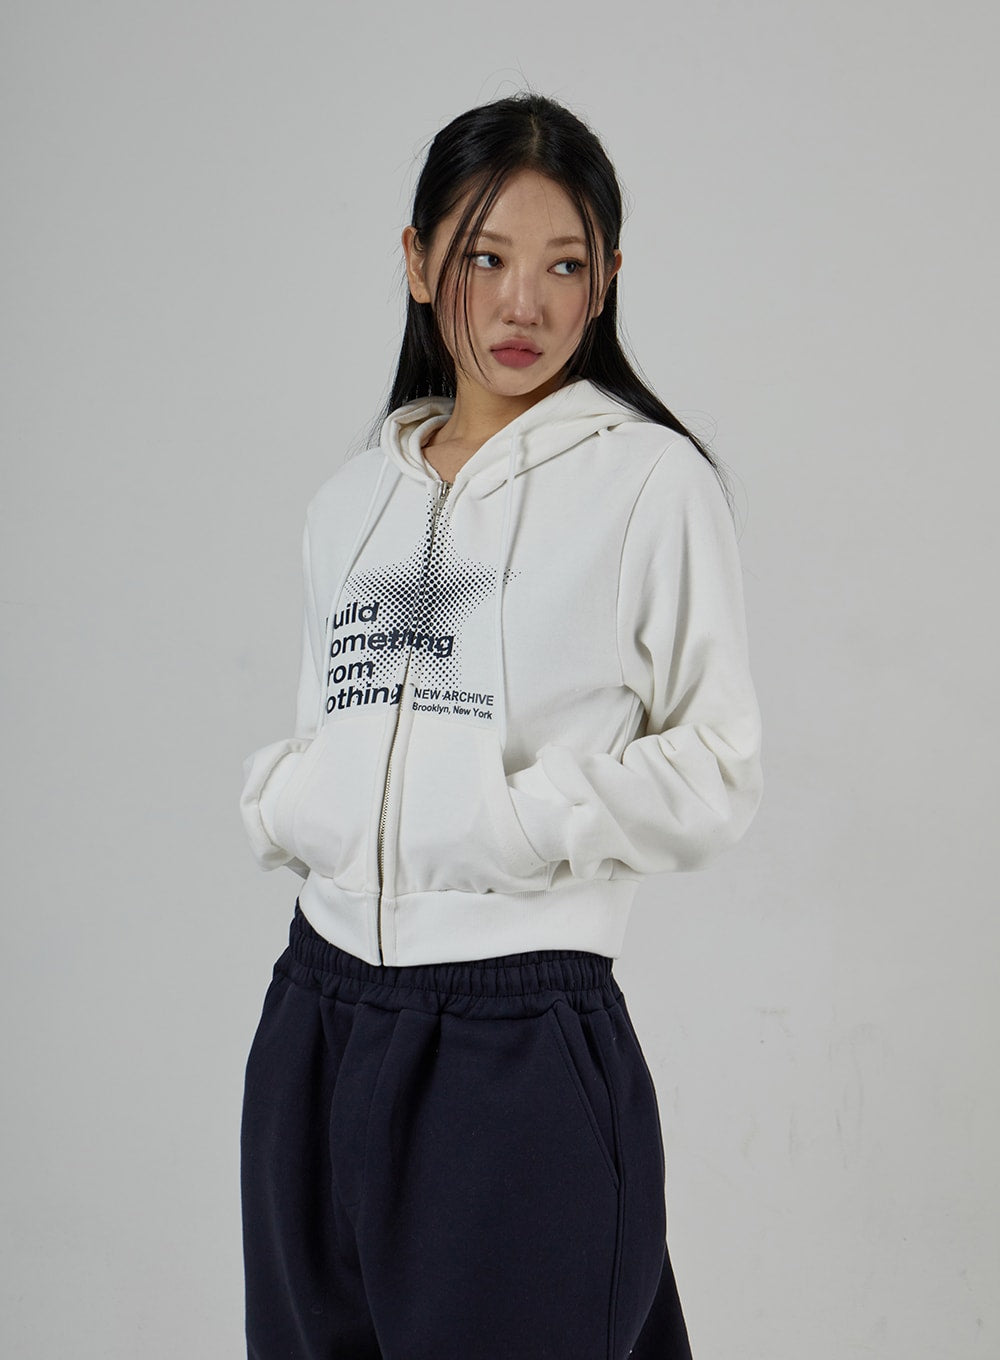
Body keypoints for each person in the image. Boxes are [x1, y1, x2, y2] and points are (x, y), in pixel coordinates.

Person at [238, 91, 762, 1360]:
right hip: (315, 1019)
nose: (523, 303)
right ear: (419, 261)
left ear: (607, 280)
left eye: (563, 265)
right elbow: (326, 723)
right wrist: (290, 799)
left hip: (517, 1036)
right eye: (485, 257)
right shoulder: (350, 502)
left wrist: (514, 822)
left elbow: (718, 766)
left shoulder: (649, 484)